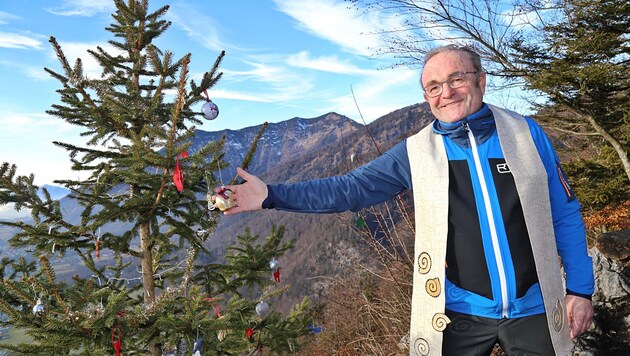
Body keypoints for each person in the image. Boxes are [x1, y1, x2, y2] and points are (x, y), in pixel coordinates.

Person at [215, 45, 594, 356]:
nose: (445, 93)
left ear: (480, 80)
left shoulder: (527, 135)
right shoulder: (416, 152)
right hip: (456, 312)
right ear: (426, 96)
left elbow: (564, 213)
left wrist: (580, 289)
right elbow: (348, 189)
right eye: (433, 86)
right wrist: (270, 196)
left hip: (536, 306)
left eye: (456, 79)